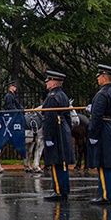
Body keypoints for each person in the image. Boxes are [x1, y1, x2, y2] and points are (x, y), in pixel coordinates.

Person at [87, 65, 111, 204]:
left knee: (103, 164)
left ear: (104, 77)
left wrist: (92, 135)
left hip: (102, 129)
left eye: (99, 76)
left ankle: (105, 196)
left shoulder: (102, 94)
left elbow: (96, 116)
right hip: (110, 127)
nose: (98, 79)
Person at [41, 70, 75, 201]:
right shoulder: (63, 96)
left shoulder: (52, 97)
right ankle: (64, 189)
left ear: (54, 82)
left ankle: (59, 191)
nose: (47, 83)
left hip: (55, 131)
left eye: (48, 81)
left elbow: (49, 119)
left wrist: (48, 137)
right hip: (63, 129)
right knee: (63, 163)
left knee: (56, 163)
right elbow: (67, 116)